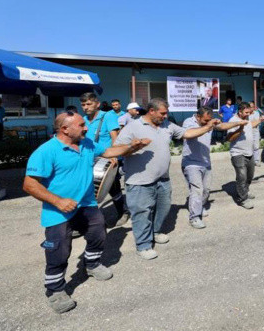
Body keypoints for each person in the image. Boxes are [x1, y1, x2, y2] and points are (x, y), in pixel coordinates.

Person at [22, 111, 150, 313]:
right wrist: (58, 201)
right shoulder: (46, 151)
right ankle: (55, 291)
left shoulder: (87, 143)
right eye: (81, 125)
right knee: (58, 250)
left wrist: (132, 147)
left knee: (98, 234)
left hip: (88, 204)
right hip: (58, 211)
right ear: (64, 128)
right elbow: (29, 185)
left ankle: (92, 264)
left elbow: (108, 152)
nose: (86, 127)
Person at [115, 98, 217, 260]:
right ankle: (143, 245)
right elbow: (116, 149)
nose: (165, 116)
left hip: (162, 178)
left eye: (166, 113)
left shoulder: (167, 125)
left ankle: (155, 232)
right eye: (162, 113)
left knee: (163, 208)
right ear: (151, 111)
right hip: (140, 180)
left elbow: (187, 133)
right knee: (142, 212)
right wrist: (132, 147)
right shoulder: (133, 126)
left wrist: (207, 126)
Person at [181, 107, 244, 228]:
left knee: (206, 189)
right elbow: (190, 134)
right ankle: (194, 217)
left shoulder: (208, 122)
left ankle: (200, 205)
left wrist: (238, 123)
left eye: (208, 120)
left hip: (205, 162)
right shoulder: (188, 122)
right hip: (191, 163)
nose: (207, 122)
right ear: (198, 117)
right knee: (197, 189)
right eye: (204, 120)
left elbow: (222, 126)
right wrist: (208, 125)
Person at [79, 92, 129, 226]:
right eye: (83, 104)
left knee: (114, 189)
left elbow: (115, 137)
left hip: (108, 160)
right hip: (90, 160)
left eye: (89, 104)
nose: (86, 107)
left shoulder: (107, 116)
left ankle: (123, 212)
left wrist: (113, 156)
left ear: (97, 104)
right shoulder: (83, 120)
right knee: (89, 190)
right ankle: (86, 221)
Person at [226, 103, 264, 209]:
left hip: (249, 152)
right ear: (240, 111)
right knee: (242, 176)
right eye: (246, 113)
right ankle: (243, 199)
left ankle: (244, 191)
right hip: (238, 153)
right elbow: (230, 138)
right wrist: (240, 127)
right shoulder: (233, 120)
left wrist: (262, 119)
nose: (248, 115)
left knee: (249, 176)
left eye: (249, 112)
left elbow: (251, 124)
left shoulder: (247, 119)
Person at [248, 101, 264, 166]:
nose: (251, 108)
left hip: (255, 132)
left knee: (256, 147)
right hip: (248, 132)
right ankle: (250, 161)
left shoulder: (256, 113)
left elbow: (256, 123)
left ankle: (256, 161)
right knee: (249, 146)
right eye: (250, 107)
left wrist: (251, 123)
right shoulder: (246, 114)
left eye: (252, 107)